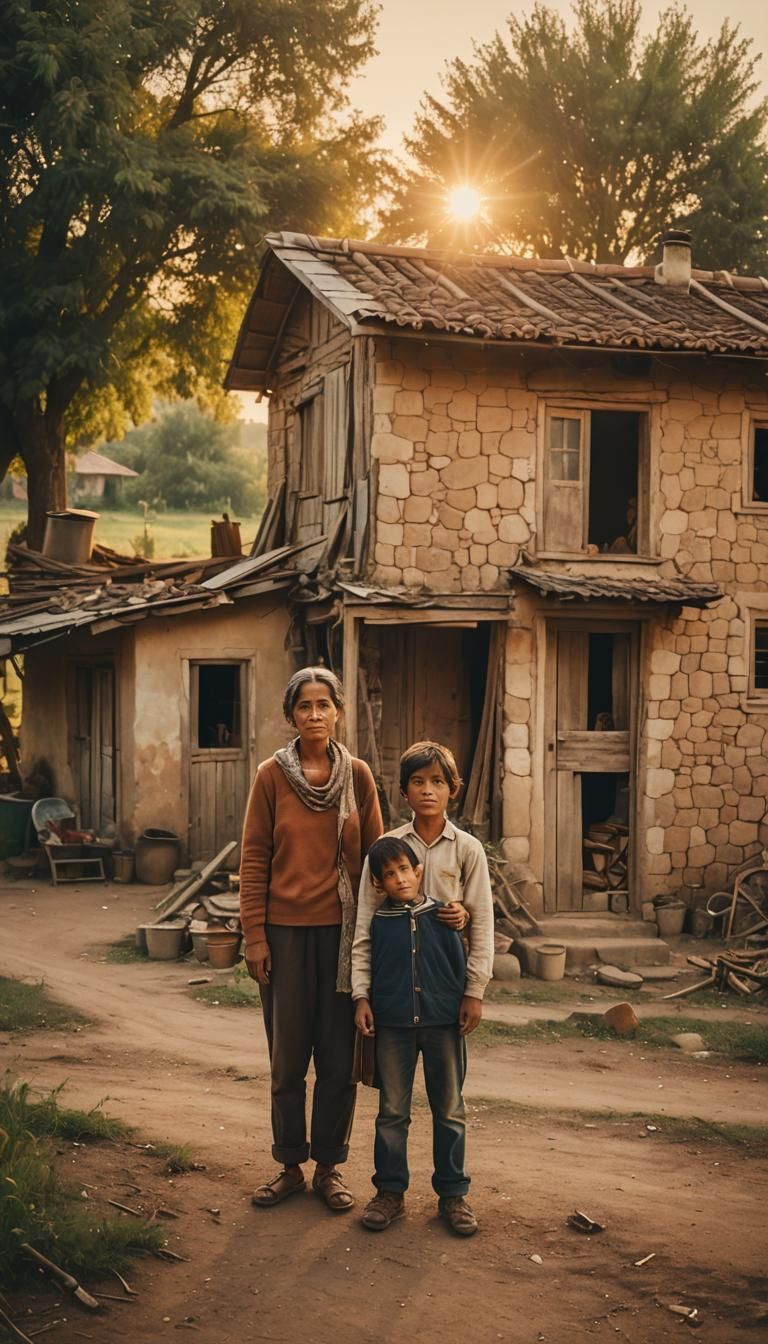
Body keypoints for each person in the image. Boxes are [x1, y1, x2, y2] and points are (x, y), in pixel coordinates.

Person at [240, 666, 383, 1213]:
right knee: (288, 1059)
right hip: (284, 937)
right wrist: (255, 936)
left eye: (325, 704)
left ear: (339, 712)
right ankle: (289, 1166)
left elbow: (378, 860)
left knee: (339, 1059)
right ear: (291, 715)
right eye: (305, 706)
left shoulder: (359, 776)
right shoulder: (271, 777)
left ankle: (329, 1167)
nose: (316, 714)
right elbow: (253, 857)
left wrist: (382, 937)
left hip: (346, 938)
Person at [352, 836, 479, 1236]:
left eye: (404, 870)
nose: (399, 879)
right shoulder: (378, 922)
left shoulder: (445, 916)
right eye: (389, 875)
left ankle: (453, 1195)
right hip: (393, 1026)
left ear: (418, 871)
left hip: (442, 1024)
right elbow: (363, 958)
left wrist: (469, 998)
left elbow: (459, 965)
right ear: (378, 884)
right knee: (392, 1112)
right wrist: (362, 999)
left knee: (450, 1109)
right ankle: (390, 1192)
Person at [353, 740, 494, 1039]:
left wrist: (475, 991)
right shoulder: (385, 849)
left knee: (445, 1081)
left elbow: (482, 922)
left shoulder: (468, 849)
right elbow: (365, 922)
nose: (427, 790)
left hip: (446, 983)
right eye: (418, 782)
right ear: (404, 791)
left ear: (453, 789)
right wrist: (361, 994)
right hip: (393, 985)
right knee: (392, 1080)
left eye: (438, 782)